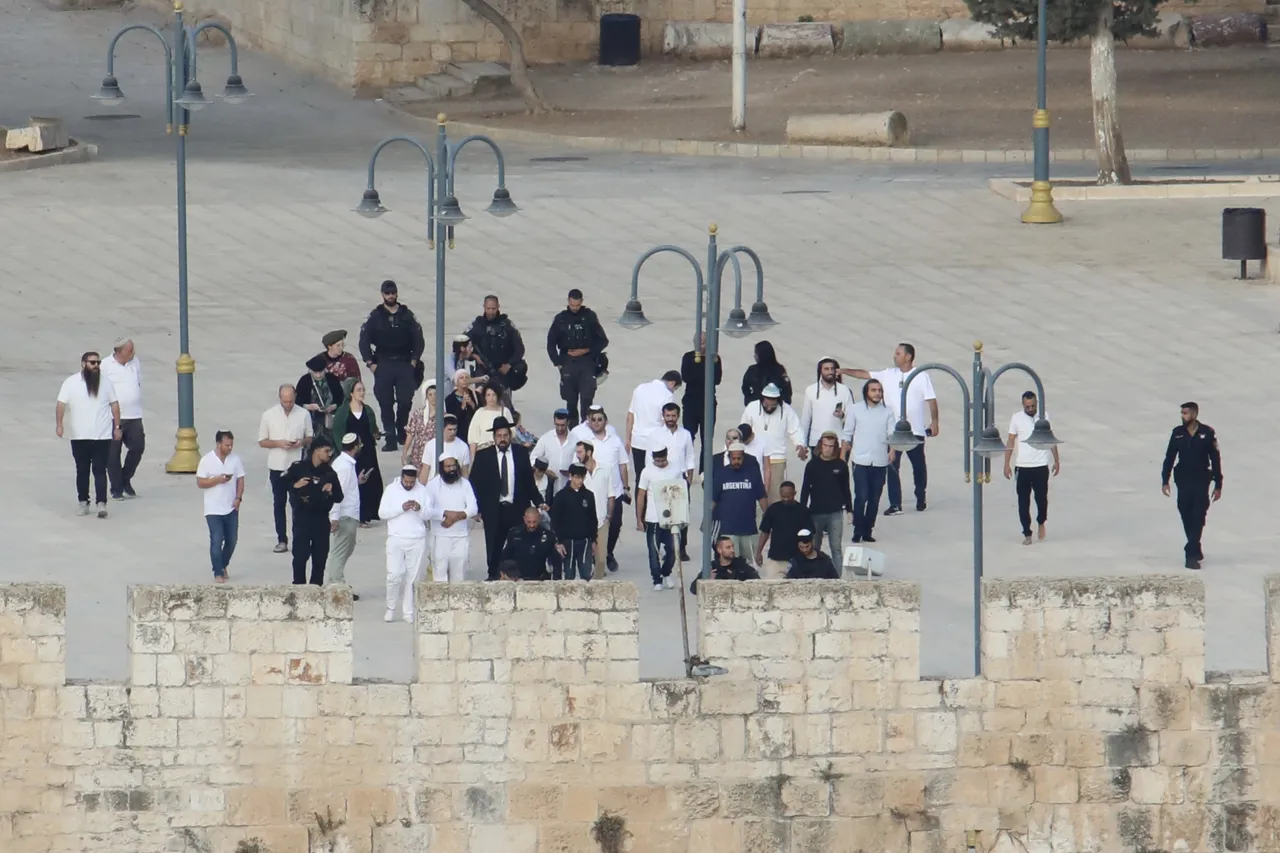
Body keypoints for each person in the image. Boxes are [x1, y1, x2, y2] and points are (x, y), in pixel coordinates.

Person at [842, 343, 938, 514]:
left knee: (919, 466)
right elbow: (865, 374)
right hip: (893, 430)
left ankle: (920, 495)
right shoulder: (888, 374)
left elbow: (931, 399)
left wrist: (935, 422)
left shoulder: (921, 376)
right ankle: (895, 504)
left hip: (914, 430)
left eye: (898, 353)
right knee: (892, 467)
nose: (894, 356)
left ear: (908, 357)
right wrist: (844, 371)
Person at [358, 279, 425, 451]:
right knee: (385, 402)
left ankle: (401, 429)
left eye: (393, 293)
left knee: (405, 400)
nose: (390, 296)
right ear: (382, 294)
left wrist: (414, 360)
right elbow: (364, 340)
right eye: (387, 293)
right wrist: (370, 363)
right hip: (383, 363)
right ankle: (390, 437)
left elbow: (418, 338)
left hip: (404, 362)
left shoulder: (406, 315)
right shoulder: (376, 316)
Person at [470, 417, 538, 580]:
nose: (502, 439)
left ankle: (516, 574)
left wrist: (539, 501)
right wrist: (477, 508)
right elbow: (475, 483)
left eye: (505, 435)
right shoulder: (483, 456)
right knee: (494, 544)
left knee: (518, 542)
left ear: (510, 436)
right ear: (494, 437)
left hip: (516, 507)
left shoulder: (520, 453)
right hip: (494, 509)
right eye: (499, 435)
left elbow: (529, 482)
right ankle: (493, 574)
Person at [56, 351, 121, 518]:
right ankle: (83, 502)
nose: (96, 366)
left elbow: (114, 405)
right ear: (83, 364)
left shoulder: (106, 383)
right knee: (82, 470)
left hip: (102, 435)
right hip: (79, 435)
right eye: (92, 363)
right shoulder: (71, 383)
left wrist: (117, 426)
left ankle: (101, 503)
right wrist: (59, 424)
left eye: (98, 363)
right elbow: (61, 404)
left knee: (100, 470)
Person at [1161, 402, 1223, 570]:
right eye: (1182, 413)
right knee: (1185, 512)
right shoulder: (1178, 433)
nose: (1183, 416)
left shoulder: (1207, 433)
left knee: (1198, 514)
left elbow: (1215, 459)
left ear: (1194, 415)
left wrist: (1218, 483)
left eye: (1186, 413)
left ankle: (1191, 554)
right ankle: (1195, 545)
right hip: (1183, 479)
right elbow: (1170, 457)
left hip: (1201, 479)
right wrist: (1165, 479)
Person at [570, 405, 629, 572]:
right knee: (594, 525)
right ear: (589, 421)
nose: (596, 422)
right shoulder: (587, 443)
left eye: (600, 419)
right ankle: (598, 557)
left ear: (605, 421)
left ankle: (608, 552)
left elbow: (623, 465)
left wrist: (626, 487)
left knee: (615, 524)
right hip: (594, 491)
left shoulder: (615, 439)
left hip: (615, 490)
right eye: (593, 419)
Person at [258, 384, 313, 553]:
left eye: (290, 401)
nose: (288, 404)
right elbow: (262, 441)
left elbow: (310, 437)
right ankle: (282, 538)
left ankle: (299, 537)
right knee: (279, 504)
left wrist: (300, 443)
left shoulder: (303, 414)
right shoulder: (269, 415)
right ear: (280, 398)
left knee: (298, 503)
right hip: (277, 466)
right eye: (285, 401)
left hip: (296, 465)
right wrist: (279, 443)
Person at [1004, 390, 1061, 546]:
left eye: (1033, 406)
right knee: (1023, 501)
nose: (1030, 409)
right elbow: (1010, 441)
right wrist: (1006, 463)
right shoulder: (1016, 418)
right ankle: (1027, 532)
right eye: (1027, 406)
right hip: (1022, 466)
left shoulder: (1043, 417)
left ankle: (1041, 521)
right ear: (1023, 405)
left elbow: (1050, 437)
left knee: (1041, 498)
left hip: (1040, 465)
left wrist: (1056, 459)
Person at [284, 438, 343, 585]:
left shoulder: (329, 473)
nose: (329, 454)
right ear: (316, 450)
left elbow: (339, 497)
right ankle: (298, 588)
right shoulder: (299, 468)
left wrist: (330, 490)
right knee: (300, 555)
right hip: (302, 518)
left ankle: (316, 589)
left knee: (320, 557)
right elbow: (281, 483)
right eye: (326, 451)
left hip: (321, 519)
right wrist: (295, 485)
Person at [844, 379, 896, 544]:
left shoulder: (888, 411)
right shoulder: (855, 410)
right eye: (873, 390)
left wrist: (892, 450)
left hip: (880, 460)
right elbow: (847, 433)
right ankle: (858, 530)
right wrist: (842, 456)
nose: (877, 393)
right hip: (860, 460)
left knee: (874, 498)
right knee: (861, 496)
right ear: (866, 392)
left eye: (879, 390)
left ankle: (868, 529)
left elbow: (892, 435)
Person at [547, 288, 609, 423]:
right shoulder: (561, 319)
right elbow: (551, 343)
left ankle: (587, 428)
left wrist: (587, 351)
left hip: (587, 362)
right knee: (570, 401)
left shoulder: (589, 317)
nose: (575, 308)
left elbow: (603, 340)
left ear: (582, 302)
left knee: (587, 399)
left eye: (577, 305)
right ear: (568, 301)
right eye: (572, 305)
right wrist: (557, 362)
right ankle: (573, 430)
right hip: (568, 363)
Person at [378, 464, 431, 620]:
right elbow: (382, 513)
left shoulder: (422, 491)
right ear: (402, 478)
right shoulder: (391, 490)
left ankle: (408, 611)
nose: (409, 485)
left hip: (417, 539)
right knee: (394, 575)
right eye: (406, 482)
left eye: (411, 482)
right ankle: (391, 607)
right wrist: (401, 508)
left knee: (413, 577)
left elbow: (428, 514)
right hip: (396, 538)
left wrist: (419, 508)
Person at [741, 383, 807, 504]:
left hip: (777, 459)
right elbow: (743, 429)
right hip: (754, 458)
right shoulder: (752, 407)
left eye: (773, 403)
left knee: (775, 498)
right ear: (763, 398)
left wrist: (800, 444)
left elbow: (796, 429)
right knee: (751, 496)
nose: (770, 407)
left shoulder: (786, 410)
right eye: (767, 403)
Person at [195, 429, 245, 583]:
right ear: (218, 444)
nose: (230, 448)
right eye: (227, 445)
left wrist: (238, 498)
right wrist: (217, 480)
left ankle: (223, 564)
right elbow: (200, 482)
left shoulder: (235, 460)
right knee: (217, 540)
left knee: (232, 540)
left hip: (231, 507)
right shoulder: (207, 460)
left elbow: (241, 480)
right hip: (213, 509)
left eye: (231, 445)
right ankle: (217, 571)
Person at [648, 402, 696, 561]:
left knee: (682, 514)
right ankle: (665, 544)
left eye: (673, 416)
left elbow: (690, 456)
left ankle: (681, 548)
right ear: (663, 416)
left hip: (679, 479)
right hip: (662, 479)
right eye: (667, 416)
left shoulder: (685, 434)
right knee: (663, 512)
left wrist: (689, 476)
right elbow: (650, 457)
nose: (670, 419)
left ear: (678, 416)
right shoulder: (655, 435)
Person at [332, 379, 383, 526]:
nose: (362, 392)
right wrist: (344, 451)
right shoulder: (343, 412)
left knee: (369, 482)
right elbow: (338, 433)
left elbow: (373, 429)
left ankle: (366, 515)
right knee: (354, 482)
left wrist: (376, 434)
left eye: (363, 389)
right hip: (351, 453)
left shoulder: (367, 410)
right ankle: (355, 514)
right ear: (351, 393)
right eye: (359, 390)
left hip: (367, 451)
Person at [422, 453, 478, 582]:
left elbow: (473, 508)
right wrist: (444, 514)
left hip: (461, 536)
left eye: (453, 465)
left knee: (459, 575)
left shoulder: (465, 484)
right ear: (442, 468)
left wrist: (453, 518)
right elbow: (427, 511)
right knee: (439, 573)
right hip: (439, 536)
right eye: (448, 466)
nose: (452, 469)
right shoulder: (432, 485)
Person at [711, 442, 768, 566]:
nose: (736, 461)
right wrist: (707, 519)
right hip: (728, 528)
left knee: (751, 563)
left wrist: (768, 517)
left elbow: (762, 496)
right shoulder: (721, 474)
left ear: (743, 457)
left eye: (739, 458)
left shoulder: (752, 473)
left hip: (749, 528)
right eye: (734, 458)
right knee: (731, 562)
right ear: (729, 457)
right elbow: (713, 499)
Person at [800, 432, 852, 566]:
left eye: (831, 446)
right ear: (820, 446)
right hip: (816, 512)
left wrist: (849, 510)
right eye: (825, 445)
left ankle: (837, 579)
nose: (828, 449)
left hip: (835, 513)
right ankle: (816, 574)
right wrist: (802, 511)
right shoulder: (812, 465)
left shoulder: (841, 466)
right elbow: (805, 489)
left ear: (835, 447)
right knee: (814, 548)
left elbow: (846, 489)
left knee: (836, 548)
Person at [103, 337, 144, 500]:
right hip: (113, 416)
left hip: (134, 414)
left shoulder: (135, 363)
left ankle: (125, 478)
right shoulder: (106, 365)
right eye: (129, 350)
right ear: (119, 352)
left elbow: (138, 383)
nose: (133, 353)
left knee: (137, 447)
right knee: (113, 453)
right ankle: (116, 487)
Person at [636, 447, 683, 590]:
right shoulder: (647, 472)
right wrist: (639, 518)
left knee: (674, 549)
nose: (661, 463)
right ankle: (657, 579)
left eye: (663, 460)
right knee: (653, 550)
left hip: (672, 517)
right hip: (653, 517)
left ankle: (666, 572)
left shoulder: (675, 469)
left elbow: (681, 492)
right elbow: (641, 495)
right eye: (657, 461)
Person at [467, 295, 528, 399]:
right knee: (482, 400)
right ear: (484, 307)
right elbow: (463, 344)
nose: (491, 312)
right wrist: (474, 356)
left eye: (494, 308)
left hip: (502, 371)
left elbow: (520, 349)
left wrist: (509, 365)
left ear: (498, 307)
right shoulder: (477, 325)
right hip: (482, 370)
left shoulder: (507, 325)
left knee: (503, 401)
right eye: (488, 308)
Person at [627, 370, 682, 479]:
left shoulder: (640, 388)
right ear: (672, 383)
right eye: (675, 388)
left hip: (637, 440)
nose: (673, 391)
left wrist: (628, 439)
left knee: (640, 477)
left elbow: (630, 415)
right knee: (658, 476)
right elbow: (667, 420)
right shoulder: (667, 395)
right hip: (656, 442)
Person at [577, 441, 618, 580]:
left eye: (580, 452)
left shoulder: (605, 470)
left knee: (601, 559)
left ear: (589, 452)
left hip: (601, 520)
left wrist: (609, 516)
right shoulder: (578, 474)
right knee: (586, 558)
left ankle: (597, 583)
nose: (578, 455)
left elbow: (611, 495)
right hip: (583, 521)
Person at [680, 333, 721, 473]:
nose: (701, 344)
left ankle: (704, 470)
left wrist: (712, 362)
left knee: (707, 439)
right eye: (698, 341)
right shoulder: (688, 357)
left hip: (708, 403)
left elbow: (717, 379)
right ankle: (687, 466)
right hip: (691, 402)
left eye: (704, 341)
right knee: (688, 436)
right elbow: (686, 377)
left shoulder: (714, 358)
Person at [328, 433, 362, 597]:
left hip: (349, 514)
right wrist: (334, 516)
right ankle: (337, 585)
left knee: (348, 547)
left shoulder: (346, 464)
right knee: (340, 551)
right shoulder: (343, 466)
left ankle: (335, 580)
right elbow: (336, 491)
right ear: (355, 446)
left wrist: (358, 480)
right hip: (344, 515)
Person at [799, 358, 855, 459]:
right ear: (820, 371)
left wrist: (842, 415)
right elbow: (806, 419)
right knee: (818, 474)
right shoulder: (810, 390)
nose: (830, 372)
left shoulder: (844, 390)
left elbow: (852, 418)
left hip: (838, 444)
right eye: (826, 369)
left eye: (832, 369)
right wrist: (803, 444)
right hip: (816, 442)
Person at [756, 481, 814, 579]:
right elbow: (765, 532)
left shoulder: (803, 511)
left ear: (794, 493)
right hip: (776, 559)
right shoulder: (773, 509)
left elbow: (810, 535)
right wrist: (758, 552)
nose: (786, 499)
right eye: (783, 496)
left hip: (797, 559)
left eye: (789, 496)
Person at [552, 464, 598, 580]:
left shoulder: (589, 495)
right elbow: (556, 521)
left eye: (582, 477)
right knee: (569, 575)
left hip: (585, 541)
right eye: (577, 477)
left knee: (586, 575)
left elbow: (593, 518)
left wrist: (593, 539)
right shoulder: (560, 496)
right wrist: (559, 541)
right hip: (568, 542)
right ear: (571, 476)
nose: (580, 480)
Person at [295, 354, 345, 448]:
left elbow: (341, 398)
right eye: (315, 372)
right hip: (310, 422)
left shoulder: (332, 379)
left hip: (329, 422)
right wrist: (309, 407)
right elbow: (297, 403)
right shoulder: (304, 381)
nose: (318, 375)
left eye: (321, 372)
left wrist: (333, 406)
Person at [690, 536, 759, 594]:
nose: (732, 550)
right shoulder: (712, 567)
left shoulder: (741, 564)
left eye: (732, 546)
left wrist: (737, 578)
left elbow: (758, 581)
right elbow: (693, 590)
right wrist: (706, 580)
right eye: (728, 547)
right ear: (719, 550)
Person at [503, 506, 557, 581]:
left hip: (540, 580)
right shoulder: (514, 534)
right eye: (529, 522)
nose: (532, 525)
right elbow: (505, 557)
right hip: (519, 580)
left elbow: (556, 560)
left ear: (539, 519)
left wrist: (556, 581)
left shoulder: (548, 536)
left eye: (534, 522)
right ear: (524, 519)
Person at [402, 380, 437, 480]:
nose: (433, 397)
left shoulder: (443, 415)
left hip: (434, 452)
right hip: (418, 452)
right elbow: (411, 433)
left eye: (435, 394)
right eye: (430, 394)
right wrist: (405, 452)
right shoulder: (418, 413)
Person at [741, 340, 792, 406]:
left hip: (774, 408)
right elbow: (745, 388)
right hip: (759, 407)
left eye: (756, 353)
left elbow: (787, 391)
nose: (754, 356)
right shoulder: (752, 370)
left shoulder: (779, 371)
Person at [468, 385, 515, 456]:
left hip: (501, 450)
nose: (491, 398)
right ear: (485, 397)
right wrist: (473, 460)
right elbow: (473, 439)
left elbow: (512, 432)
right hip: (483, 452)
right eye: (488, 395)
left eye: (494, 395)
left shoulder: (505, 411)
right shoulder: (479, 412)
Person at [533, 408, 575, 481]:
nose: (560, 428)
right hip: (547, 485)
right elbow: (533, 458)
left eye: (562, 425)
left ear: (568, 422)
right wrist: (545, 471)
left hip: (567, 485)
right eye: (557, 425)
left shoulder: (575, 440)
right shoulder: (545, 438)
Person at [446, 370, 480, 443]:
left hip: (475, 435)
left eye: (466, 378)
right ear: (456, 382)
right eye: (461, 378)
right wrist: (462, 406)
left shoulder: (476, 395)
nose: (464, 380)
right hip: (458, 436)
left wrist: (472, 404)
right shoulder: (450, 399)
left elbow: (481, 413)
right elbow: (451, 418)